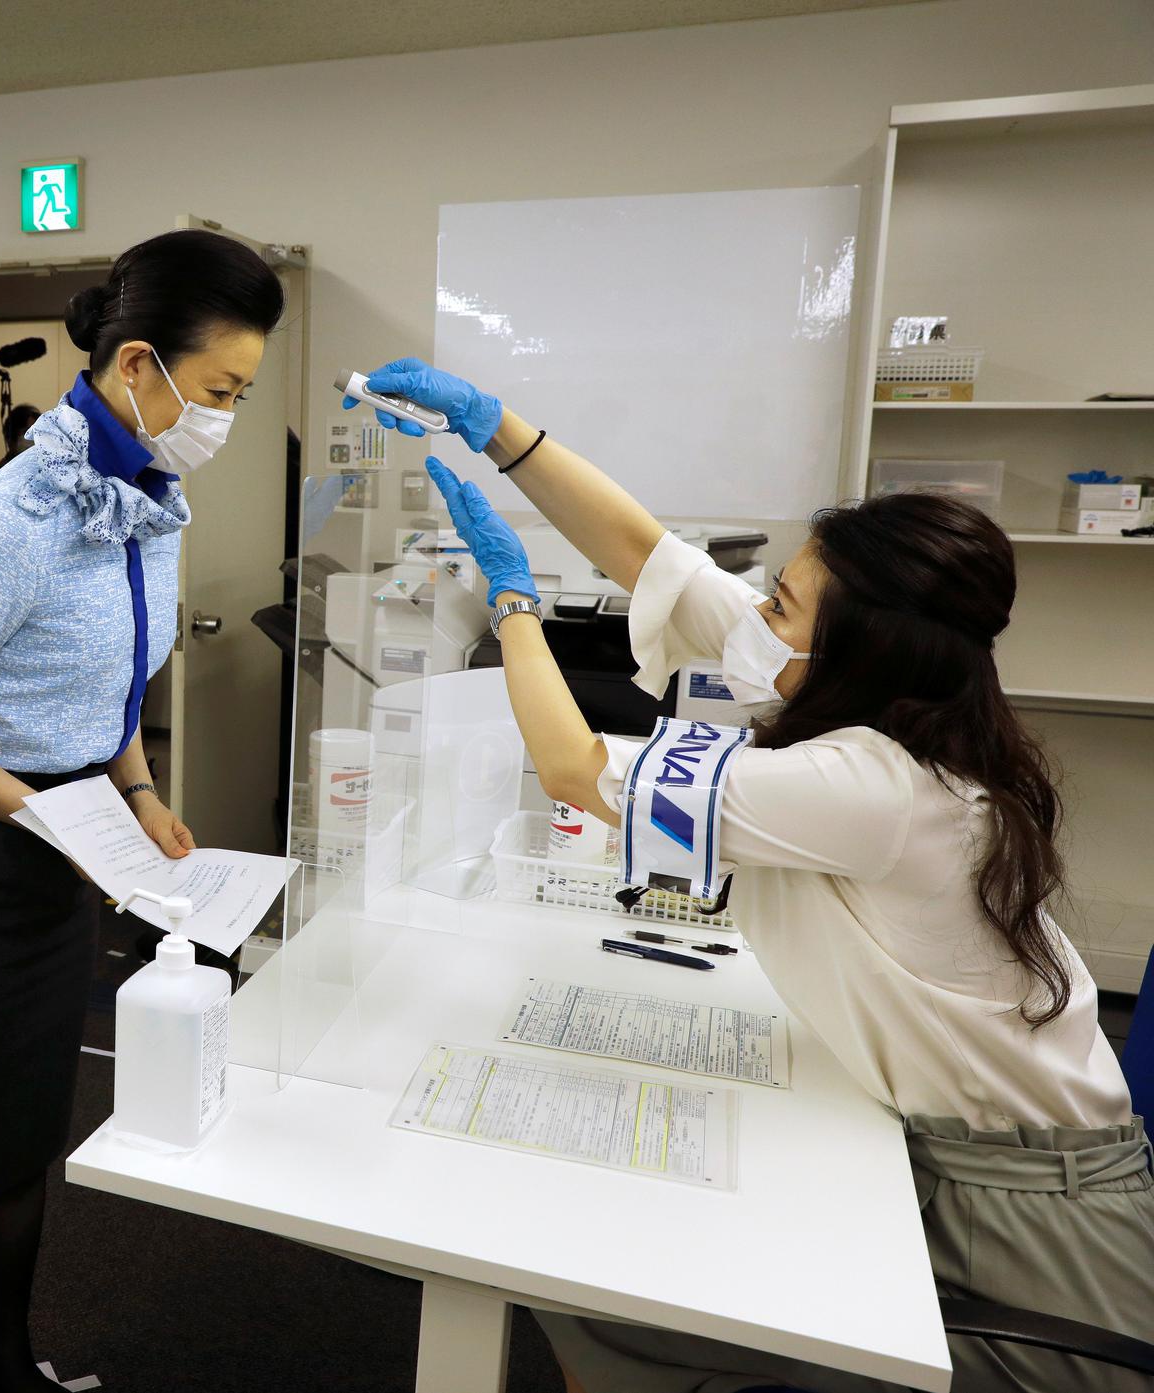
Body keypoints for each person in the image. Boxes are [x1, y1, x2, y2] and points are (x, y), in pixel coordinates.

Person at [349, 358, 1153, 1393]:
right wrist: (497, 428)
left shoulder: (873, 782)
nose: (752, 618)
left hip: (1033, 1227)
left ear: (857, 648)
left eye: (779, 605)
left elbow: (574, 768)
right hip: (967, 1154)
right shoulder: (902, 705)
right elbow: (649, 557)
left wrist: (509, 603)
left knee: (620, 1288)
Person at [0, 229, 283, 1393]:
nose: (225, 418)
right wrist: (42, 813)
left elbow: (116, 683)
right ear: (139, 365)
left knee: (20, 1136)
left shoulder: (146, 497)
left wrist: (137, 792)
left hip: (66, 850)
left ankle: (9, 1357)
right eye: (218, 391)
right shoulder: (24, 513)